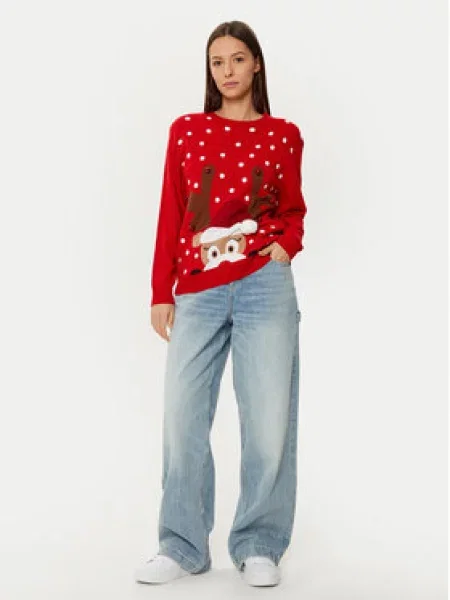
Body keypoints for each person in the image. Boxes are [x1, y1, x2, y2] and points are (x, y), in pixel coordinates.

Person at [135, 19, 307, 587]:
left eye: (237, 59)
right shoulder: (187, 131)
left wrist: (285, 246)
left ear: (256, 63)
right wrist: (161, 291)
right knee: (182, 417)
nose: (227, 71)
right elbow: (172, 210)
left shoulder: (283, 135)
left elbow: (292, 208)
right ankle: (182, 545)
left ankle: (259, 543)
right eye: (217, 62)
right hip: (198, 290)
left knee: (269, 420)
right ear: (209, 71)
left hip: (264, 284)